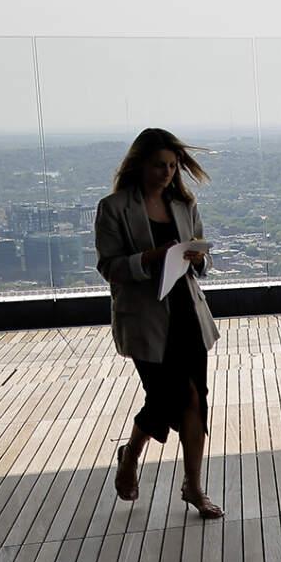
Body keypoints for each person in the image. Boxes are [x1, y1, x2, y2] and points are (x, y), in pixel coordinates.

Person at [95, 127, 222, 518]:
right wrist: (150, 258)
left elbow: (201, 254)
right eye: (159, 165)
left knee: (193, 397)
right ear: (140, 164)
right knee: (165, 397)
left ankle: (193, 486)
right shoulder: (114, 207)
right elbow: (108, 267)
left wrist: (198, 258)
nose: (167, 173)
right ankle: (131, 453)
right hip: (146, 317)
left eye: (171, 165)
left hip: (185, 308)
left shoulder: (184, 204)